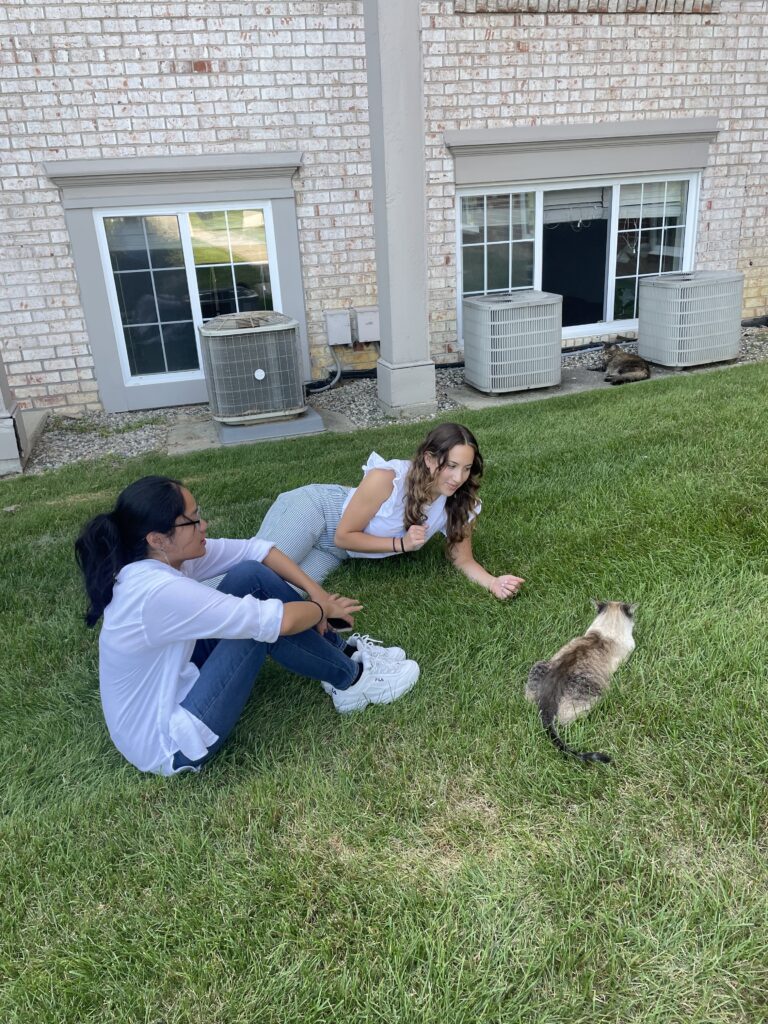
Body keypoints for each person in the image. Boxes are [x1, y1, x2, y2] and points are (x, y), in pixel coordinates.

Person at [74, 476, 420, 776]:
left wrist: (318, 593)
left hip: (179, 679)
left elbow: (258, 551)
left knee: (249, 576)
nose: (204, 525)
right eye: (192, 521)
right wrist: (319, 609)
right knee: (258, 629)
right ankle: (352, 682)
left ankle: (343, 653)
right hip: (169, 745)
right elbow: (276, 622)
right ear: (157, 538)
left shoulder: (162, 559)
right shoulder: (157, 590)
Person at [256, 422, 525, 599]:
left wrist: (492, 582)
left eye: (466, 468)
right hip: (317, 511)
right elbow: (344, 535)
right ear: (430, 459)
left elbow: (463, 559)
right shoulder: (388, 478)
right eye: (451, 466)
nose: (458, 478)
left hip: (335, 551)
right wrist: (402, 544)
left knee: (278, 594)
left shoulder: (458, 500)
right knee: (256, 569)